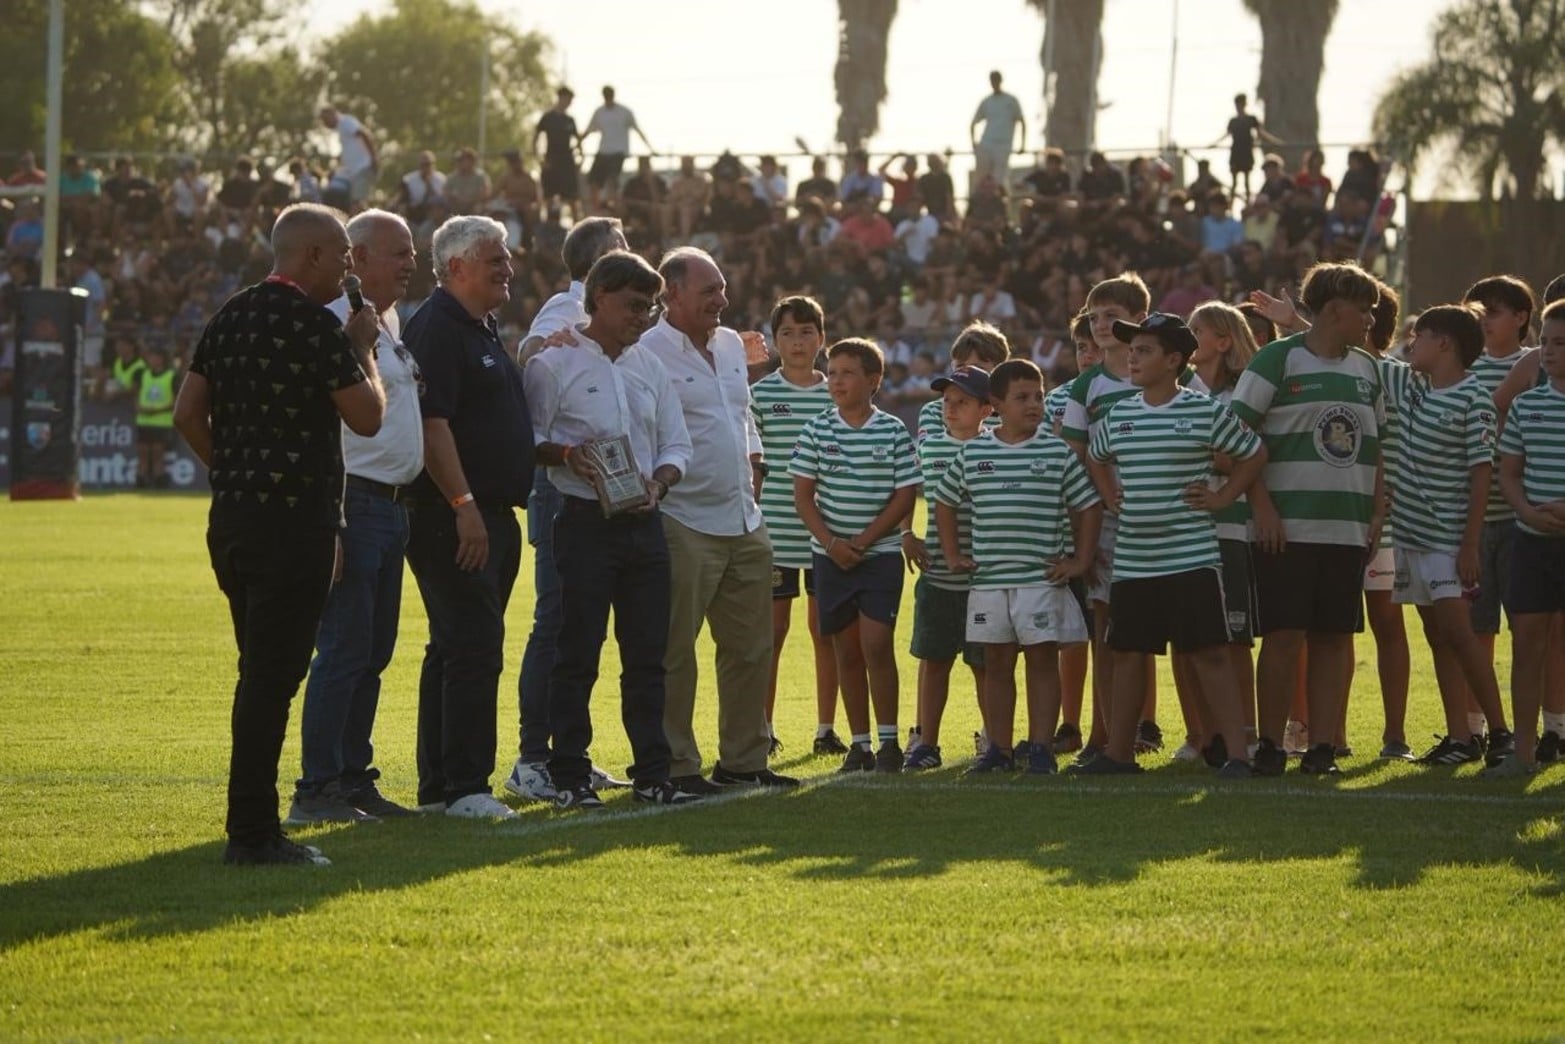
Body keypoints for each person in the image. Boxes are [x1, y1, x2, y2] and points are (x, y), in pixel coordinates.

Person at [172, 203, 386, 867]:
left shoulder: (231, 313)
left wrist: (234, 473)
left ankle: (252, 826)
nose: (348, 272)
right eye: (344, 259)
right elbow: (369, 417)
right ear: (314, 256)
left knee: (256, 673)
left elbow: (186, 413)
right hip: (295, 523)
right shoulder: (314, 326)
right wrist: (361, 349)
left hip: (234, 520)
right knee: (271, 679)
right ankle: (253, 834)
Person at [524, 250, 699, 809]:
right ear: (597, 298)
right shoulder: (555, 362)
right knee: (578, 652)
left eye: (649, 307)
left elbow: (677, 444)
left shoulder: (648, 365)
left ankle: (653, 774)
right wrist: (568, 455)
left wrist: (661, 484)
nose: (643, 316)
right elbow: (528, 439)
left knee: (648, 654)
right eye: (632, 305)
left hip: (646, 522)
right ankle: (570, 774)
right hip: (582, 523)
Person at [1078, 313, 1266, 776]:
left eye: (1143, 350)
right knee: (1126, 654)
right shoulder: (1120, 413)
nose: (1132, 358)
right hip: (1133, 560)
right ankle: (1119, 756)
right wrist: (1108, 494)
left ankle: (1238, 757)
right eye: (1131, 349)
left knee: (1209, 653)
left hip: (1192, 558)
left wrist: (1223, 496)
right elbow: (1095, 456)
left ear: (1174, 360)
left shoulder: (1204, 411)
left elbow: (1255, 452)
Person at [638, 248, 797, 792]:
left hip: (744, 518)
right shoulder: (645, 350)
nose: (721, 300)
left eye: (723, 288)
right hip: (682, 518)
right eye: (709, 291)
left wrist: (756, 466)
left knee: (752, 647)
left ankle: (744, 761)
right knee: (675, 650)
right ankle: (678, 766)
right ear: (672, 293)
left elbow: (740, 414)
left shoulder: (731, 345)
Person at [289, 210, 424, 824]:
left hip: (392, 505)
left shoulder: (386, 321)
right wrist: (333, 518)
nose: (410, 262)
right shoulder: (331, 322)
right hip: (353, 498)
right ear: (358, 258)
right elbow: (321, 417)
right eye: (398, 252)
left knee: (371, 651)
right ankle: (316, 789)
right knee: (343, 649)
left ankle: (350, 778)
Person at [402, 215, 535, 820]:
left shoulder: (478, 325)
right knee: (474, 646)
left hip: (486, 512)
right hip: (456, 515)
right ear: (456, 267)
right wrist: (464, 507)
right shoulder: (438, 326)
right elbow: (433, 425)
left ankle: (439, 786)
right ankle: (465, 787)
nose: (508, 267)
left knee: (454, 647)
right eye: (495, 258)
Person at [1231, 262, 1387, 777]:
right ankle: (1271, 745)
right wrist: (1263, 508)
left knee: (1335, 637)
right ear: (1335, 309)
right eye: (1364, 309)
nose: (1371, 318)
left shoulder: (1367, 368)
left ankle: (1323, 747)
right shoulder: (1275, 361)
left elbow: (1381, 448)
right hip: (1286, 529)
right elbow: (1234, 442)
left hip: (1347, 529)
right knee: (1283, 636)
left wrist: (1376, 514)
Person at [503, 217, 629, 803]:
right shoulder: (566, 303)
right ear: (597, 263)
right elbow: (532, 347)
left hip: (597, 490)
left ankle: (565, 756)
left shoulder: (614, 324)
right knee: (555, 623)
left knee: (581, 628)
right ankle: (532, 758)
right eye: (621, 248)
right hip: (560, 488)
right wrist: (540, 346)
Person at [933, 359, 1100, 774]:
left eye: (1039, 396)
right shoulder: (974, 452)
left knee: (1042, 662)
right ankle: (1000, 750)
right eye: (1022, 397)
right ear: (996, 405)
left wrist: (1080, 558)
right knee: (996, 665)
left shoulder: (1056, 450)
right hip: (989, 581)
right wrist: (953, 555)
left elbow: (1089, 505)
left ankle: (1041, 748)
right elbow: (944, 501)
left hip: (1040, 581)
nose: (1034, 404)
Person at [1062, 274, 1193, 763]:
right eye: (1093, 316)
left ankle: (1184, 733)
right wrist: (1087, 529)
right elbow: (1075, 458)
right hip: (1110, 524)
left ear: (1138, 319)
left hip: (1173, 521)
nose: (1099, 325)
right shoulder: (1087, 384)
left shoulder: (1175, 377)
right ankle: (1104, 736)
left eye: (1110, 316)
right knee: (1108, 632)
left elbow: (1205, 422)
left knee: (1172, 632)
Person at [1385, 305, 1512, 768]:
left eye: (1419, 336)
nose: (1410, 343)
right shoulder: (1412, 384)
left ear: (1445, 344)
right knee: (1438, 635)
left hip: (1448, 542)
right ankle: (1461, 737)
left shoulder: (1473, 397)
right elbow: (1364, 357)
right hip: (1411, 538)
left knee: (1461, 635)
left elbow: (1483, 475)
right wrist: (1296, 320)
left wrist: (1469, 545)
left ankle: (1499, 732)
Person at [791, 338, 920, 774]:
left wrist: (864, 540)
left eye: (847, 372)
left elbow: (905, 495)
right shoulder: (816, 429)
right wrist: (831, 544)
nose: (836, 380)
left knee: (876, 643)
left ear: (873, 380)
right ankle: (860, 745)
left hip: (878, 554)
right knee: (844, 648)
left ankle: (889, 742)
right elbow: (803, 496)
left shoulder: (892, 430)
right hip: (830, 557)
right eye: (832, 372)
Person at [749, 297, 848, 755]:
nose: (796, 341)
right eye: (786, 333)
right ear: (773, 341)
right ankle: (762, 728)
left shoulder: (838, 393)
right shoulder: (761, 395)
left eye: (806, 332)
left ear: (821, 339)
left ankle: (826, 728)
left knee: (825, 631)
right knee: (771, 633)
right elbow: (755, 464)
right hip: (777, 533)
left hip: (828, 534)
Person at [901, 366, 994, 770]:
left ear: (987, 409)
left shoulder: (997, 449)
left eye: (963, 402)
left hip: (986, 580)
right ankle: (927, 743)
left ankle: (995, 741)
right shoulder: (931, 447)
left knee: (985, 665)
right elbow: (905, 487)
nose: (952, 409)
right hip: (938, 576)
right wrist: (907, 533)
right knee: (934, 661)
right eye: (947, 402)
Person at [1461, 275, 1537, 744]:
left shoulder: (1535, 366)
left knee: (1532, 633)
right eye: (1478, 311)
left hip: (1520, 518)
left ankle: (1549, 728)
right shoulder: (1462, 367)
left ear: (1521, 318)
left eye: (1493, 312)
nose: (1484, 320)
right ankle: (1475, 729)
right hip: (1471, 520)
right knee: (1475, 632)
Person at [1493, 298, 1565, 775]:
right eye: (1544, 341)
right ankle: (1522, 752)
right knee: (1527, 646)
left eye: (1559, 343)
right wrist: (1526, 512)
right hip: (1531, 543)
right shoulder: (1526, 403)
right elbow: (1509, 473)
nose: (1548, 351)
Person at [582, 86, 653, 212]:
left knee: (612, 181)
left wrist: (650, 148)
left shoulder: (624, 112)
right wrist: (577, 143)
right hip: (603, 151)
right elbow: (589, 129)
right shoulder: (599, 112)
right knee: (593, 182)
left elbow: (637, 129)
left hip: (618, 152)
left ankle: (612, 206)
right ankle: (597, 210)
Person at [1212, 93, 1281, 203]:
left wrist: (1275, 142)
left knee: (1247, 182)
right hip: (1236, 153)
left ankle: (1248, 204)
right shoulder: (1233, 121)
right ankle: (1230, 206)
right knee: (1234, 183)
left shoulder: (1251, 119)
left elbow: (1261, 133)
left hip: (1246, 153)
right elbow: (1227, 134)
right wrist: (1214, 144)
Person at [535, 87, 583, 221]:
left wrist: (580, 159)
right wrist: (540, 159)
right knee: (550, 198)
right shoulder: (547, 118)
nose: (569, 102)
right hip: (551, 161)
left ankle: (578, 230)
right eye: (568, 99)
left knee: (573, 199)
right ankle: (550, 229)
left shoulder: (570, 120)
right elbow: (536, 138)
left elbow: (578, 141)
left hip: (567, 162)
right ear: (561, 98)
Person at [133, 344, 177, 489]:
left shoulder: (172, 376)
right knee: (143, 453)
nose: (151, 360)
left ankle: (159, 482)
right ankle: (141, 481)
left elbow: (177, 401)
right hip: (143, 420)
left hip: (162, 422)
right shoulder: (142, 374)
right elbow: (136, 394)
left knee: (158, 454)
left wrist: (158, 410)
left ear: (162, 359)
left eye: (154, 357)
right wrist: (139, 407)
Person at [971, 70, 1025, 187]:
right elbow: (973, 123)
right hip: (986, 143)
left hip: (1004, 145)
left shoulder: (1011, 100)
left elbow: (1022, 121)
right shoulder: (987, 101)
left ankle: (1000, 203)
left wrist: (1022, 145)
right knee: (982, 179)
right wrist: (973, 143)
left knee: (999, 180)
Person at [319, 105, 378, 210]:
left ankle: (367, 225)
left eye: (325, 119)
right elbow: (351, 147)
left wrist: (374, 158)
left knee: (358, 203)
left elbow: (364, 135)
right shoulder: (342, 128)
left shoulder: (346, 122)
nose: (325, 124)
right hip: (356, 171)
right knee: (355, 202)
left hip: (363, 167)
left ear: (332, 113)